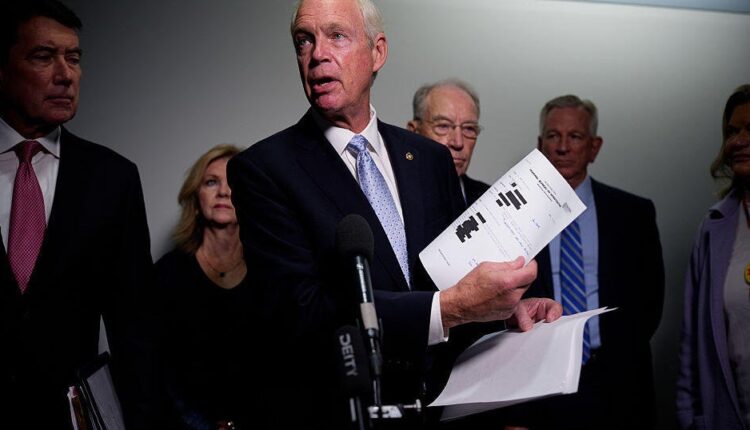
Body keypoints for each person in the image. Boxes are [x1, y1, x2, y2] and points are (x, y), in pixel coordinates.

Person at [226, 0, 561, 428]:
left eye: (337, 36)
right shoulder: (264, 169)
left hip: (441, 412)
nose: (318, 54)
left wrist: (501, 314)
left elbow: (448, 284)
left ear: (378, 52)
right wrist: (452, 308)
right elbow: (300, 314)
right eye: (304, 41)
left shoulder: (429, 159)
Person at [0, 1, 155, 428]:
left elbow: (135, 328)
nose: (65, 74)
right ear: (3, 69)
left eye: (73, 58)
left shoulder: (113, 179)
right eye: (43, 56)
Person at [503, 95, 665, 429]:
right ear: (540, 145)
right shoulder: (511, 217)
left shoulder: (633, 213)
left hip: (620, 385)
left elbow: (650, 305)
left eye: (575, 136)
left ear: (594, 147)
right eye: (553, 136)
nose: (563, 147)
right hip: (540, 383)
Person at [156, 144, 256, 430]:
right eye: (212, 182)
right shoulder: (167, 273)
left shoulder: (271, 270)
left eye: (233, 182)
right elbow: (157, 370)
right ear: (196, 197)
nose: (223, 192)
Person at [676, 84, 750, 430]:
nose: (738, 141)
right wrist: (689, 418)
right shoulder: (714, 227)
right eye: (732, 132)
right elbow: (691, 340)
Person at [407, 79, 489, 205]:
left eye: (469, 128)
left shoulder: (490, 200)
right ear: (413, 131)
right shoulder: (392, 194)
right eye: (443, 126)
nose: (458, 143)